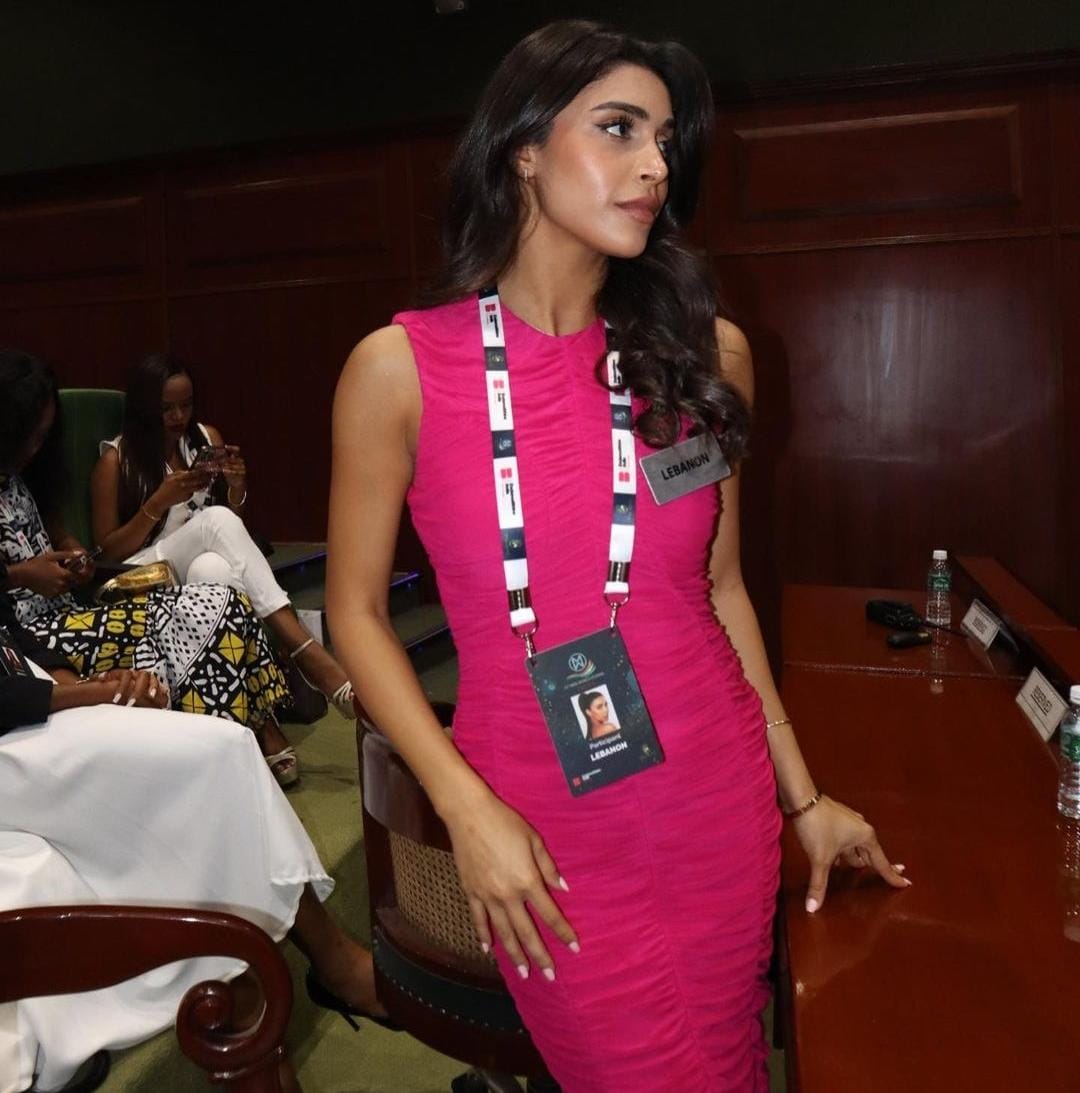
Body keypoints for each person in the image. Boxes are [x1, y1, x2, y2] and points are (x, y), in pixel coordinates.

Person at [326, 21, 909, 1092]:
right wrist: (464, 807)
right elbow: (355, 613)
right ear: (523, 148)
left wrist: (802, 797)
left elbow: (721, 592)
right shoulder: (399, 369)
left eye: (665, 140)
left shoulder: (703, 354)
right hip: (535, 820)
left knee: (728, 1060)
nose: (655, 166)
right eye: (619, 129)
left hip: (716, 797)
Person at [0, 594, 389, 1093]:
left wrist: (86, 686)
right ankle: (295, 986)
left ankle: (260, 1002)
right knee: (207, 759)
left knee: (217, 746)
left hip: (32, 704)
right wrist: (88, 695)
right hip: (13, 731)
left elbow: (11, 627)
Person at [0, 350, 299, 784]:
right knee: (192, 615)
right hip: (28, 633)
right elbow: (102, 550)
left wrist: (72, 554)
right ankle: (221, 759)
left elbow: (56, 531)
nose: (35, 447)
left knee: (218, 598)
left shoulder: (22, 475)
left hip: (66, 611)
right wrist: (25, 575)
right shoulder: (116, 459)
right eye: (29, 435)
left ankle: (218, 755)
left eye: (43, 435)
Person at [89, 353, 354, 718]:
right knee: (214, 520)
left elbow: (231, 531)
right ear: (144, 407)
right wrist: (157, 503)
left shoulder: (204, 439)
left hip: (194, 562)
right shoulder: (115, 461)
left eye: (186, 405)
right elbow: (108, 553)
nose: (179, 417)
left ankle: (250, 719)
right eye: (166, 408)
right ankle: (304, 651)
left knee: (212, 568)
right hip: (140, 573)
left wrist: (237, 489)